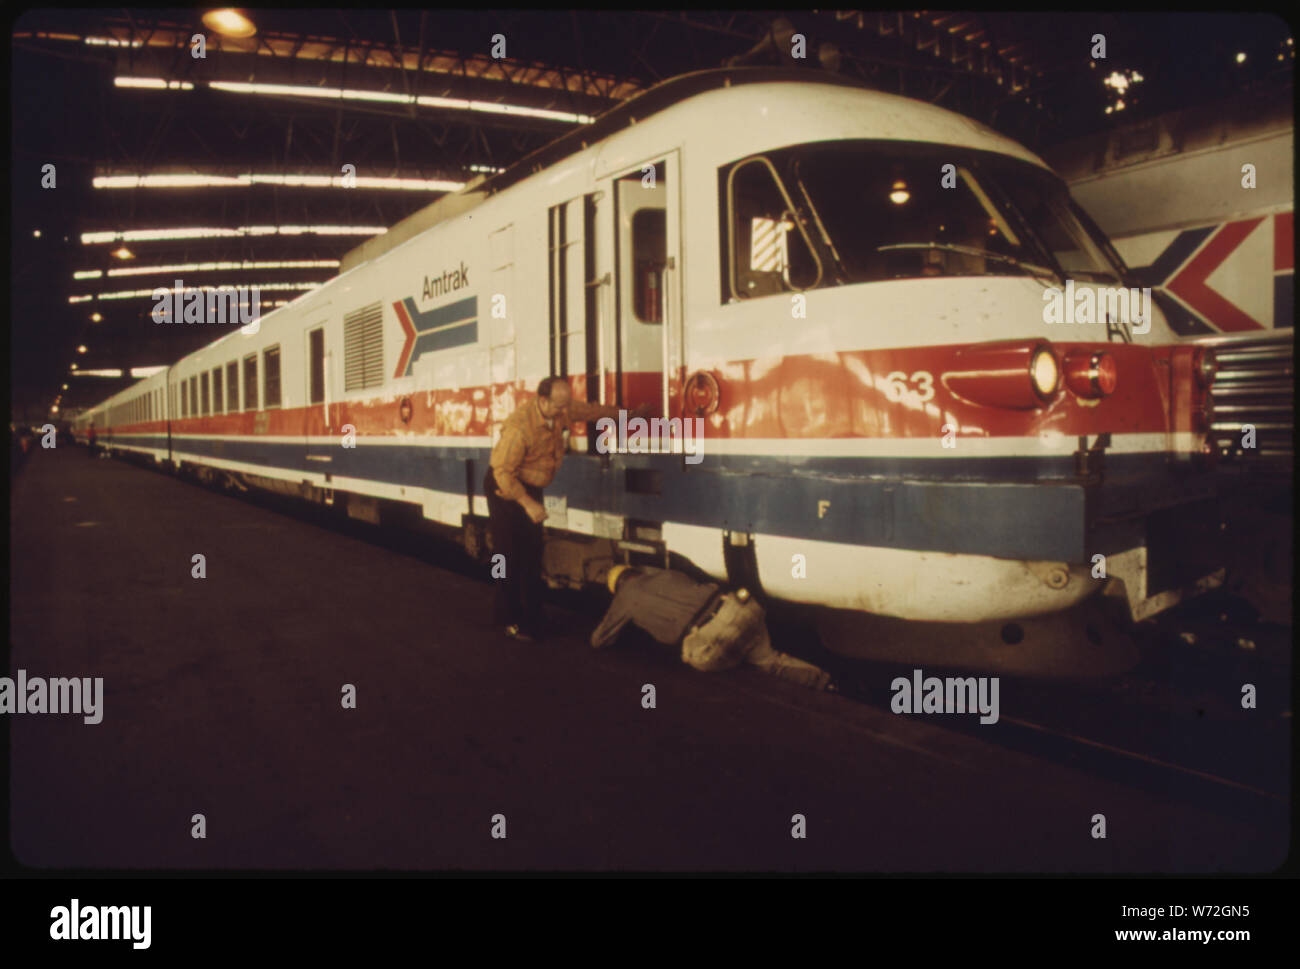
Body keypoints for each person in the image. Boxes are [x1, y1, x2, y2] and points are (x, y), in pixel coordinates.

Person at [486, 376, 649, 641]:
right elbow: (502, 472)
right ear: (542, 400)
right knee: (507, 556)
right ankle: (508, 619)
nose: (565, 412)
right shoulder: (519, 427)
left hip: (529, 486)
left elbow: (593, 411)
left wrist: (629, 415)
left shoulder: (561, 408)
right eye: (559, 407)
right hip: (505, 489)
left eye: (566, 405)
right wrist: (527, 504)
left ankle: (533, 618)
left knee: (532, 554)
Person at [591, 565, 836, 692]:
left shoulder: (623, 598)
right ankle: (826, 682)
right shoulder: (666, 574)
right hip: (741, 610)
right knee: (770, 660)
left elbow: (599, 640)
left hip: (711, 645)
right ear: (633, 572)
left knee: (692, 655)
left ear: (618, 586)